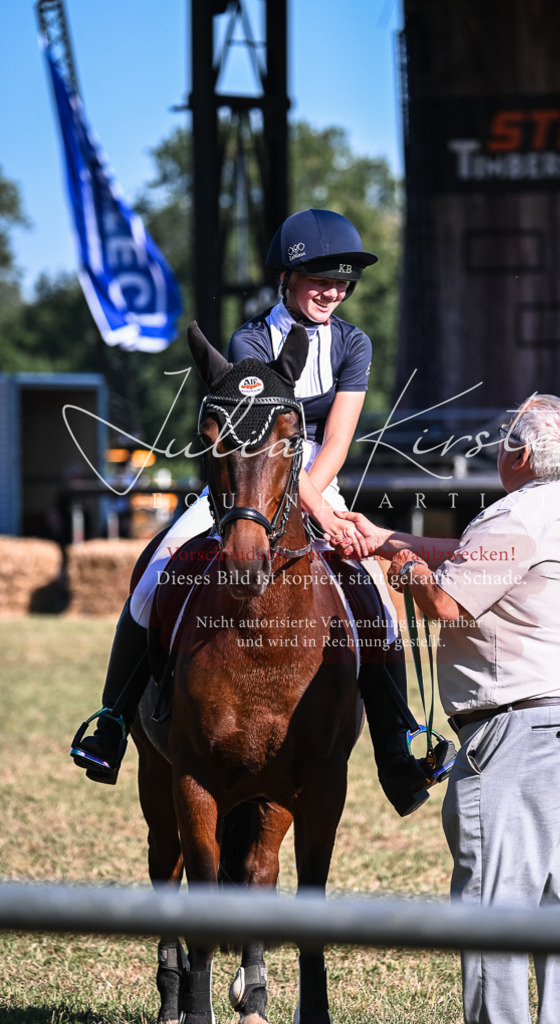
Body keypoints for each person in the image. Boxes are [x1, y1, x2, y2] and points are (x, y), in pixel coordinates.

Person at [70, 208, 452, 816]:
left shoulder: (354, 343)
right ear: (286, 279)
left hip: (317, 487)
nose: (332, 290)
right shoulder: (250, 342)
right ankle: (114, 720)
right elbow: (253, 446)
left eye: (342, 280)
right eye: (317, 277)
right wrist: (306, 506)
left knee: (374, 597)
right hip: (240, 492)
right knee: (154, 572)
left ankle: (397, 747)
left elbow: (336, 439)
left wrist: (323, 508)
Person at [333, 394, 560, 1024]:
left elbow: (448, 605)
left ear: (519, 452)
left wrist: (403, 568)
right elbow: (474, 562)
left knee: (494, 908)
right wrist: (386, 540)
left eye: (505, 435)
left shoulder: (513, 516)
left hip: (521, 736)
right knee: (555, 900)